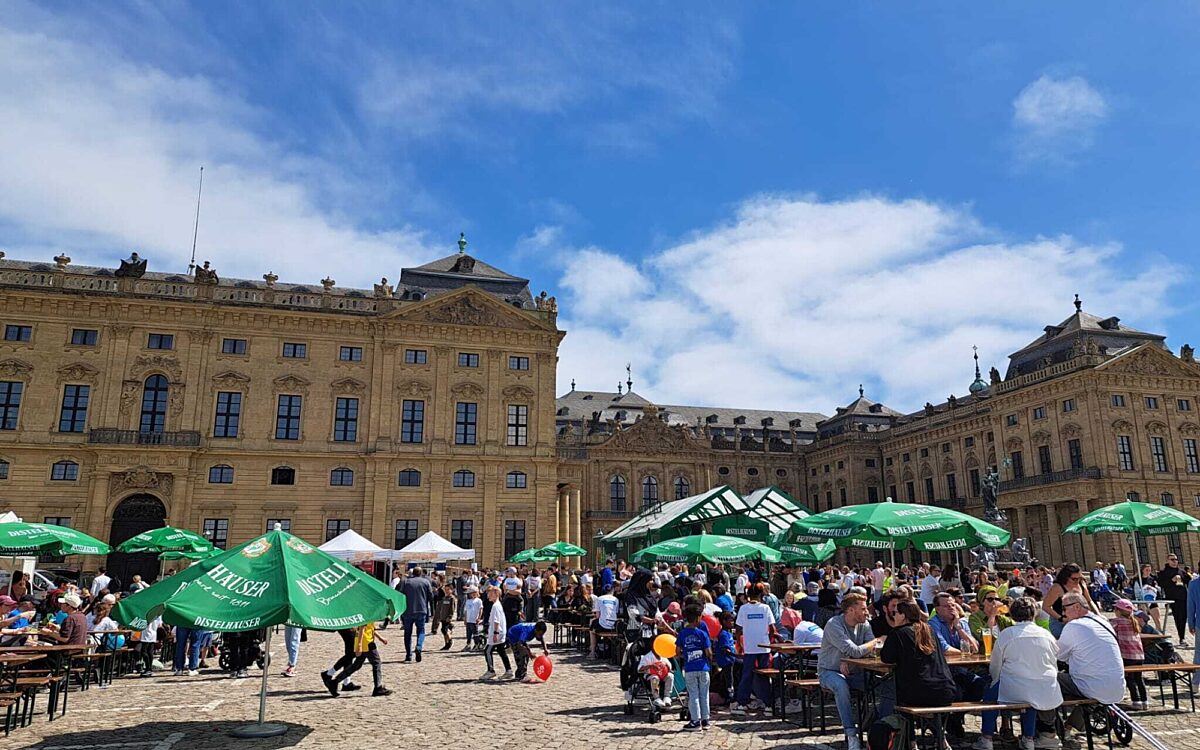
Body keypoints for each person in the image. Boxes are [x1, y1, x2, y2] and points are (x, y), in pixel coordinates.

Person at [981, 597, 1063, 750]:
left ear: (1012, 614)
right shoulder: (1046, 634)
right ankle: (1029, 738)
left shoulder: (1007, 634)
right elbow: (1055, 660)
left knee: (990, 694)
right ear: (1034, 614)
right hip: (1046, 687)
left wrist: (995, 681)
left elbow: (995, 666)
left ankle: (986, 738)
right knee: (1030, 695)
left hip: (1016, 688)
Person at [818, 592, 884, 750]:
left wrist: (847, 658)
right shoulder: (834, 624)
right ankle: (851, 734)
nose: (867, 611)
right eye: (863, 608)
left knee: (886, 685)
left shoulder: (865, 624)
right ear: (851, 610)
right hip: (828, 671)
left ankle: (877, 729)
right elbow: (856, 650)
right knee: (841, 686)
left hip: (856, 672)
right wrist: (876, 640)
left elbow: (870, 651)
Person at [1057, 592, 1125, 742]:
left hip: (1091, 685)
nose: (1063, 613)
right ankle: (1069, 726)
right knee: (1084, 683)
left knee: (1048, 678)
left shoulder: (1074, 625)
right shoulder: (1103, 621)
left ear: (1076, 606)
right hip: (1117, 685)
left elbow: (1058, 655)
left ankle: (1046, 730)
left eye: (1064, 608)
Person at [880, 598, 958, 708]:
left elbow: (886, 658)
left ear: (903, 616)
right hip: (946, 691)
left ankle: (888, 722)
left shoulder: (898, 633)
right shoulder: (929, 630)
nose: (894, 616)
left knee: (886, 687)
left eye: (895, 613)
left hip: (918, 693)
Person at [731, 583, 775, 715]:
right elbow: (772, 628)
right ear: (761, 594)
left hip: (749, 647)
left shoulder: (744, 609)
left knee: (747, 676)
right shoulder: (766, 608)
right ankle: (768, 705)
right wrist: (770, 641)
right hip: (764, 647)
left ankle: (742, 703)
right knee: (764, 676)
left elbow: (738, 629)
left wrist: (739, 643)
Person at [676, 601, 713, 731]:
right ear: (698, 618)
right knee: (704, 694)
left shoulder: (682, 633)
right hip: (703, 668)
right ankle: (705, 720)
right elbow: (708, 652)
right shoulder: (702, 634)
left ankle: (695, 721)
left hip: (690, 668)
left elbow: (677, 651)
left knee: (693, 694)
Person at [1043, 563, 1098, 638]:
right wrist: (1061, 619)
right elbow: (1046, 606)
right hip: (1060, 623)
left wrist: (1098, 614)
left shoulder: (1081, 584)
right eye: (1074, 579)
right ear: (1066, 577)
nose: (1077, 581)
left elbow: (1089, 601)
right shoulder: (1057, 588)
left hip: (1079, 620)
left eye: (1079, 578)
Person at [1113, 599, 1148, 710]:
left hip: (1127, 655)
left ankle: (1136, 700)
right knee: (1139, 678)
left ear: (1118, 611)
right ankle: (1144, 701)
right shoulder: (1134, 621)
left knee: (1130, 678)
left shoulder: (1117, 622)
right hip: (1139, 655)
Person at [398, 566, 434, 662]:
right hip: (421, 609)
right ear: (421, 573)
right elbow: (431, 597)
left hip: (407, 611)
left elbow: (400, 595)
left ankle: (408, 655)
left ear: (412, 573)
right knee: (421, 631)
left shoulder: (405, 582)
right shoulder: (426, 582)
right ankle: (419, 646)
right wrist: (432, 611)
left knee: (407, 633)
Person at [482, 587, 512, 680]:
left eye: (490, 594)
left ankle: (491, 670)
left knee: (487, 650)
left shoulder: (495, 606)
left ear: (496, 594)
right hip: (501, 632)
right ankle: (509, 670)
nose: (488, 596)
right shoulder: (497, 605)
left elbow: (496, 621)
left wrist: (495, 633)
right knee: (501, 651)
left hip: (497, 633)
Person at [1158, 554, 1189, 643]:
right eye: (1172, 560)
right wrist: (1171, 580)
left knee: (1185, 617)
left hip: (1184, 597)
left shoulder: (1181, 571)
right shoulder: (1163, 572)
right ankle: (1181, 637)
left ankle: (1184, 635)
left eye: (1176, 559)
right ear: (1168, 560)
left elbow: (1188, 580)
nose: (1175, 561)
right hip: (1173, 598)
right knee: (1178, 617)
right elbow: (1161, 584)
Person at [590, 584, 619, 658]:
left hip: (603, 624)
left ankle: (593, 652)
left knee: (592, 629)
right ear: (612, 590)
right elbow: (616, 612)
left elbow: (597, 615)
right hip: (613, 625)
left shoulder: (599, 599)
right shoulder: (616, 599)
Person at [433, 583, 457, 651]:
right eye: (445, 590)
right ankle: (446, 643)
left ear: (452, 590)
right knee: (443, 631)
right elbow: (442, 608)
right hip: (443, 617)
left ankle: (449, 641)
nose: (446, 591)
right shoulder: (444, 598)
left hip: (447, 617)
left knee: (444, 630)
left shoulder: (452, 598)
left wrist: (450, 617)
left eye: (448, 589)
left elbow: (452, 609)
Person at [463, 586, 483, 651]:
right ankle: (468, 644)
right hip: (469, 619)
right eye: (471, 593)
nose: (473, 594)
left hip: (474, 619)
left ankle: (477, 644)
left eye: (474, 593)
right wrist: (465, 619)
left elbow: (480, 609)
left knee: (475, 633)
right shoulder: (468, 601)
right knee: (468, 633)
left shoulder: (478, 601)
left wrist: (479, 617)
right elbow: (466, 610)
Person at [1188, 567, 1200, 663]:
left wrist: (1191, 623)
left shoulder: (1193, 584)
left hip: (1199, 623)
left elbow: (1191, 606)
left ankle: (1197, 677)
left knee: (1199, 653)